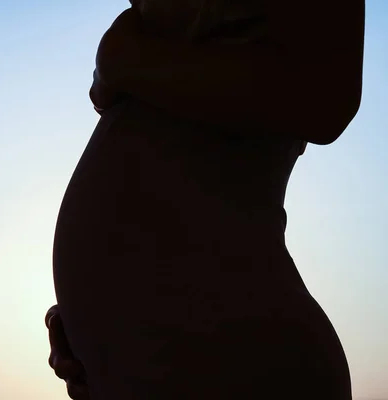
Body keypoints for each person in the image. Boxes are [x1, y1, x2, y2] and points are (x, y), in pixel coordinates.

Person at [47, 0, 365, 398]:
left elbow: (326, 96)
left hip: (239, 357)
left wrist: (122, 60)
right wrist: (94, 326)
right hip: (166, 358)